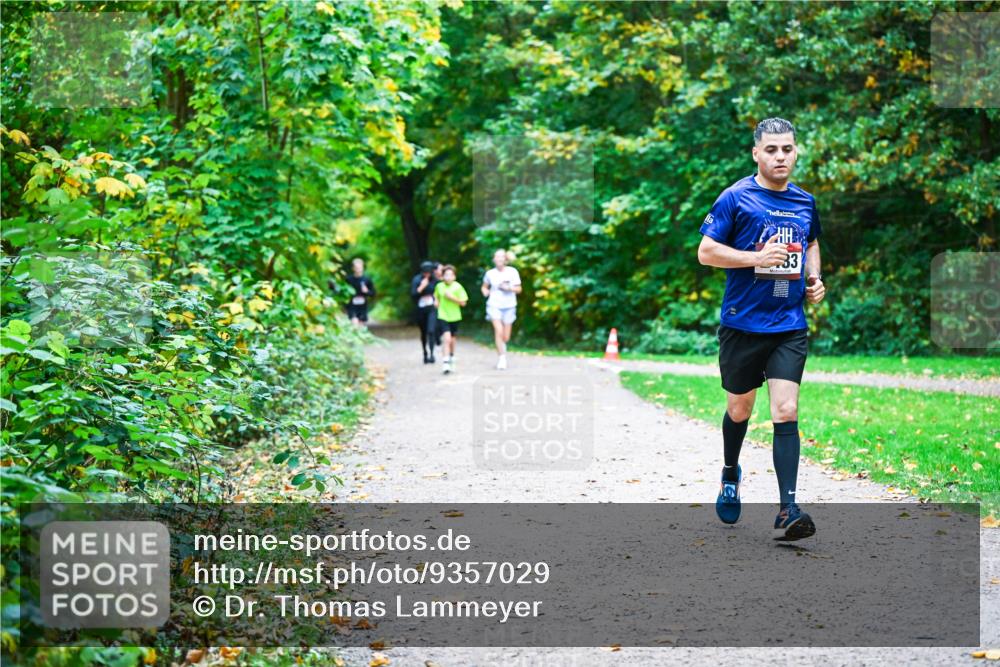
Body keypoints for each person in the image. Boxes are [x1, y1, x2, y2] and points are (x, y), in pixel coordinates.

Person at [696, 117, 826, 541]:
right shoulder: (736, 197)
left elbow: (810, 243)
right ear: (756, 153)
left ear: (795, 151)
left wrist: (813, 279)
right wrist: (755, 260)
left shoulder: (805, 202)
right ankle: (730, 472)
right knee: (740, 410)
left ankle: (788, 508)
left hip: (788, 326)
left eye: (787, 149)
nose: (780, 156)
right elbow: (706, 251)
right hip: (742, 325)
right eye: (771, 150)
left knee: (786, 411)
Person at [481, 249, 521, 370]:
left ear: (505, 259)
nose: (499, 259)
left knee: (505, 336)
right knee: (498, 330)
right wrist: (485, 292)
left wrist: (508, 287)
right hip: (494, 305)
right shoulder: (490, 273)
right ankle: (501, 358)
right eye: (497, 257)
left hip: (509, 306)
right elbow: (484, 286)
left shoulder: (512, 272)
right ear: (494, 259)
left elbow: (519, 289)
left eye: (501, 257)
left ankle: (503, 346)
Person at [433, 265, 468, 374]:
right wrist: (436, 302)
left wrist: (451, 297)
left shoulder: (458, 287)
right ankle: (446, 362)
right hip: (443, 315)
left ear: (454, 277)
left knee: (452, 340)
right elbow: (436, 296)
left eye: (450, 275)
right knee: (446, 339)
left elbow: (463, 303)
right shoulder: (439, 286)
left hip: (455, 316)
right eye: (446, 275)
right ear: (442, 276)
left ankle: (451, 355)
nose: (448, 277)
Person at [411, 260, 439, 363]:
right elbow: (413, 294)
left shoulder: (435, 280)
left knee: (431, 331)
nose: (427, 274)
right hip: (421, 310)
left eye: (429, 272)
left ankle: (432, 354)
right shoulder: (417, 280)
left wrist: (436, 300)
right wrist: (421, 287)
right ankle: (425, 353)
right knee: (423, 332)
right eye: (425, 272)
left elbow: (439, 292)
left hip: (432, 309)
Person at [344, 258, 376, 327]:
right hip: (352, 305)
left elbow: (373, 293)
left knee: (361, 327)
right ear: (353, 268)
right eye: (356, 267)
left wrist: (367, 291)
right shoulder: (348, 279)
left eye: (359, 267)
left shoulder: (367, 279)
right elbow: (343, 292)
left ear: (363, 268)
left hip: (363, 306)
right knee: (354, 323)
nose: (358, 269)